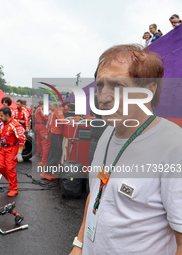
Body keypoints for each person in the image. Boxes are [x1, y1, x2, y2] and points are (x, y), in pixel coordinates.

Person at [69, 44, 182, 255]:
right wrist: (79, 244)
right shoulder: (107, 133)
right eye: (100, 85)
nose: (103, 97)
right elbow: (95, 193)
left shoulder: (174, 146)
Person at [0, 106, 26, 197]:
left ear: (7, 115)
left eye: (1, 116)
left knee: (9, 168)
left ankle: (14, 187)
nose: (0, 117)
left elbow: (22, 139)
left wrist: (19, 153)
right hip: (3, 148)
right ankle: (12, 181)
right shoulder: (2, 124)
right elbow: (2, 136)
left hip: (13, 148)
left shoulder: (15, 125)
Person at [43, 102, 64, 179]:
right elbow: (62, 121)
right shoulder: (57, 111)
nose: (50, 107)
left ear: (55, 106)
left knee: (52, 153)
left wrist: (47, 133)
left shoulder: (53, 112)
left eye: (51, 106)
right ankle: (47, 171)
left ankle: (47, 171)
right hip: (56, 135)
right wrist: (71, 120)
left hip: (53, 134)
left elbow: (49, 124)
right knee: (57, 155)